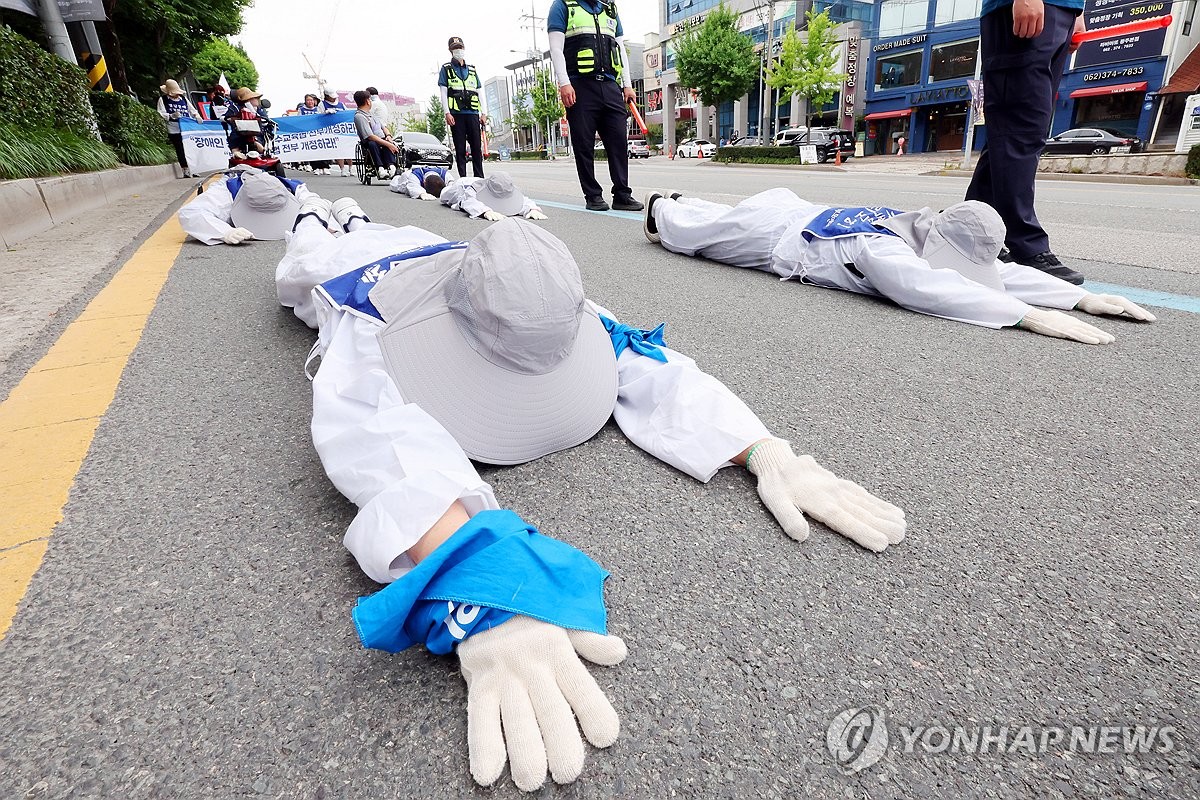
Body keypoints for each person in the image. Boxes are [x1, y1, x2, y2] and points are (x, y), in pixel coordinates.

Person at [274, 209, 906, 792]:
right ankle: (312, 210)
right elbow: (373, 433)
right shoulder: (371, 317)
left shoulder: (539, 295)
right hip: (358, 260)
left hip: (444, 252)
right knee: (305, 250)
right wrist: (484, 583)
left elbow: (653, 365)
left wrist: (765, 451)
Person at [642, 189, 1155, 344]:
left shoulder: (931, 229)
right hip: (772, 235)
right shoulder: (883, 250)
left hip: (793, 212)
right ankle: (662, 205)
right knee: (690, 236)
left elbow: (989, 270)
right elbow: (925, 288)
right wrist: (1025, 316)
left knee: (719, 216)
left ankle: (686, 201)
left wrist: (1077, 298)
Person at [964, 0, 1087, 284]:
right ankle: (1026, 243)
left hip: (1062, 11)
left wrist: (1078, 11)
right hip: (1024, 7)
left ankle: (973, 231)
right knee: (1020, 124)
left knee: (1016, 130)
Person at [548, 0, 643, 212]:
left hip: (610, 85)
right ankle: (593, 195)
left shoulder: (609, 9)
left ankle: (622, 194)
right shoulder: (563, 6)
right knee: (584, 143)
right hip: (580, 85)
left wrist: (627, 85)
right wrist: (564, 83)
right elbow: (556, 48)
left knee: (618, 141)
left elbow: (621, 50)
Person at [177, 168, 318, 245]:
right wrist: (224, 232)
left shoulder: (293, 187)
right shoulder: (226, 191)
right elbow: (191, 213)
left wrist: (317, 222)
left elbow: (316, 203)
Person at [390, 168, 548, 221]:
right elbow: (468, 201)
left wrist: (532, 209)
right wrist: (485, 211)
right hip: (458, 187)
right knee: (444, 195)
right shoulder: (472, 189)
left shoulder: (504, 184)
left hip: (457, 182)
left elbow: (522, 200)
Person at [438, 37, 487, 179]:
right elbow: (443, 92)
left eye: (460, 47)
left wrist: (484, 113)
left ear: (464, 49)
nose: (458, 50)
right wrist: (447, 113)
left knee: (476, 148)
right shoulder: (446, 69)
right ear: (450, 50)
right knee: (460, 149)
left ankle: (479, 178)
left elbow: (479, 91)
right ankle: (463, 179)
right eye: (455, 48)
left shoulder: (472, 70)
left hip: (472, 114)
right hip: (456, 115)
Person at [157, 79, 201, 178]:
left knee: (191, 148)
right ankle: (185, 169)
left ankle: (193, 168)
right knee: (180, 149)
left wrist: (197, 116)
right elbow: (161, 113)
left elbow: (192, 109)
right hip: (174, 129)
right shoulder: (163, 100)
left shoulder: (183, 99)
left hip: (187, 128)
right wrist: (171, 116)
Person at [353, 89, 399, 180]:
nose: (370, 101)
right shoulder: (359, 116)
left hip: (381, 138)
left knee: (386, 142)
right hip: (370, 141)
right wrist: (388, 144)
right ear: (367, 101)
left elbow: (383, 127)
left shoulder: (372, 114)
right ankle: (380, 168)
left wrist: (388, 136)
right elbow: (370, 136)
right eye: (369, 99)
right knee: (373, 144)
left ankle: (392, 167)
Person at [224, 87, 271, 157]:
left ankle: (263, 151)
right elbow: (225, 117)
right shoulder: (235, 108)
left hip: (257, 132)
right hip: (240, 131)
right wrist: (229, 119)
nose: (257, 100)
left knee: (257, 136)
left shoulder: (258, 110)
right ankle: (236, 152)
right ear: (247, 100)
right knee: (234, 135)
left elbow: (265, 120)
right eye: (254, 98)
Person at [295, 94, 331, 174]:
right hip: (308, 133)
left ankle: (325, 166)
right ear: (305, 101)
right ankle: (316, 167)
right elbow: (299, 120)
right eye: (308, 100)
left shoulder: (318, 109)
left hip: (318, 132)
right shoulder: (302, 110)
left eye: (311, 100)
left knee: (322, 150)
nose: (310, 102)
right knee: (313, 150)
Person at [320, 88, 352, 177]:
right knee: (339, 150)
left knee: (348, 149)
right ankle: (342, 169)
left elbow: (348, 113)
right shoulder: (322, 104)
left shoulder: (341, 104)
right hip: (331, 131)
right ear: (327, 96)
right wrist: (325, 113)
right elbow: (318, 116)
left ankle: (350, 167)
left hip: (343, 129)